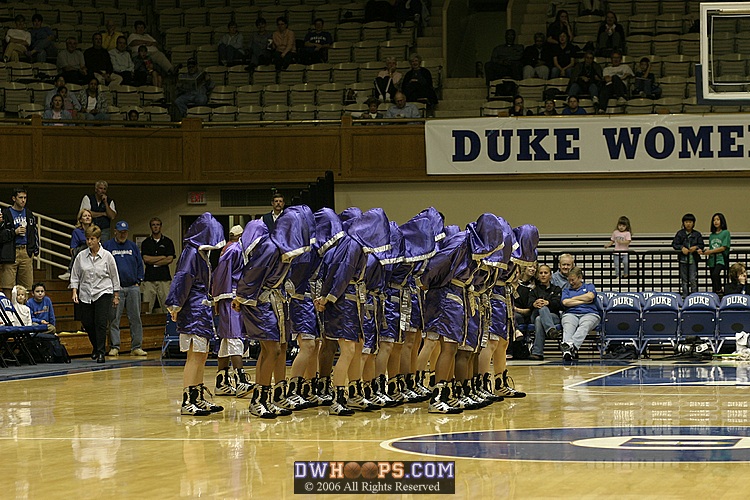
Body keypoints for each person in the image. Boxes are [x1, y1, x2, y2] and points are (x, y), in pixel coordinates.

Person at [166, 213, 225, 416]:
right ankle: (188, 400)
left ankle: (197, 395)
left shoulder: (202, 254)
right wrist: (175, 305)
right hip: (192, 310)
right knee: (194, 355)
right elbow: (182, 280)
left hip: (202, 309)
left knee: (202, 354)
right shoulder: (191, 253)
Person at [212, 224, 254, 398]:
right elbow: (222, 275)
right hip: (231, 296)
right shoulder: (234, 250)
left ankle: (221, 382)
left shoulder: (231, 249)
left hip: (231, 295)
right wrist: (219, 296)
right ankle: (241, 379)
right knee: (234, 336)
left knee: (227, 340)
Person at [70, 225, 121, 364]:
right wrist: (74, 291)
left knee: (100, 322)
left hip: (103, 291)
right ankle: (95, 346)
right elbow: (75, 275)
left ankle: (100, 352)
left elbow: (114, 276)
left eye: (92, 239)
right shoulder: (81, 256)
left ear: (98, 239)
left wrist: (116, 295)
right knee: (87, 321)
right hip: (86, 292)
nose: (89, 242)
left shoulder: (107, 256)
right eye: (87, 239)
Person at [103, 221, 146, 357]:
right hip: (116, 288)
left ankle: (136, 346)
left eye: (125, 232)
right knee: (114, 318)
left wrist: (139, 280)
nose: (123, 234)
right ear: (115, 231)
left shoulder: (133, 246)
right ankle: (115, 346)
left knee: (135, 318)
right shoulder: (108, 246)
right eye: (120, 232)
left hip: (133, 286)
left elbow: (140, 264)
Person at [0, 187, 39, 297]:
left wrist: (34, 250)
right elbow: (1, 235)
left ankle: (24, 312)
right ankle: (8, 312)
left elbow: (34, 233)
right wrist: (14, 232)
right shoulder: (6, 213)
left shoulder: (29, 213)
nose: (23, 200)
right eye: (20, 197)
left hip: (26, 251)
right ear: (14, 198)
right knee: (7, 285)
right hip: (10, 252)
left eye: (25, 198)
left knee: (27, 286)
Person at [560, 266, 600, 362]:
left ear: (580, 277)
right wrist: (583, 300)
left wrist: (572, 299)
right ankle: (568, 351)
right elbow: (565, 302)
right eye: (569, 280)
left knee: (584, 325)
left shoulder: (589, 286)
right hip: (571, 313)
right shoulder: (566, 289)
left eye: (573, 280)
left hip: (590, 313)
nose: (571, 282)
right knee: (568, 326)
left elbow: (590, 296)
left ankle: (569, 346)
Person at [141, 217, 176, 314]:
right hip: (149, 278)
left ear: (161, 226)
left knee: (168, 308)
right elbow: (146, 259)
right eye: (153, 225)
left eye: (157, 225)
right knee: (146, 309)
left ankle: (169, 328)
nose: (155, 227)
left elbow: (169, 259)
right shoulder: (146, 243)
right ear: (150, 227)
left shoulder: (168, 242)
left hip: (164, 278)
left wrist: (153, 260)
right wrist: (162, 257)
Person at [528, 264, 562, 360]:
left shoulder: (556, 289)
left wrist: (548, 302)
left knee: (540, 319)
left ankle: (537, 352)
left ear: (550, 275)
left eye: (545, 273)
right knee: (541, 311)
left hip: (553, 316)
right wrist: (534, 304)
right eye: (541, 273)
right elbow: (528, 304)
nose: (543, 275)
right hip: (535, 314)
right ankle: (551, 330)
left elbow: (559, 304)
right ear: (538, 275)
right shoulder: (534, 290)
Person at [672, 213, 704, 297]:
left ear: (693, 223)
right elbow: (674, 244)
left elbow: (701, 245)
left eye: (690, 222)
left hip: (693, 259)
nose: (688, 224)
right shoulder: (680, 233)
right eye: (686, 222)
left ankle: (694, 295)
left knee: (693, 278)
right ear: (683, 223)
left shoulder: (697, 234)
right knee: (684, 279)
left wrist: (696, 247)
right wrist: (681, 248)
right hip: (683, 259)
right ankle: (685, 295)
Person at [698, 213, 730, 295]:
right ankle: (715, 293)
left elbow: (724, 247)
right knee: (712, 276)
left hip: (721, 258)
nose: (715, 222)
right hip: (712, 259)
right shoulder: (711, 235)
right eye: (714, 220)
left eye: (718, 220)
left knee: (716, 274)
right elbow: (711, 247)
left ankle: (719, 290)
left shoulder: (725, 233)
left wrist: (711, 251)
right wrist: (704, 251)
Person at [59, 208, 93, 281]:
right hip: (81, 253)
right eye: (85, 216)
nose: (87, 217)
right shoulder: (76, 231)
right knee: (79, 248)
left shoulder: (95, 230)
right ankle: (70, 273)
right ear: (80, 219)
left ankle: (70, 271)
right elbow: (72, 248)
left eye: (89, 216)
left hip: (93, 251)